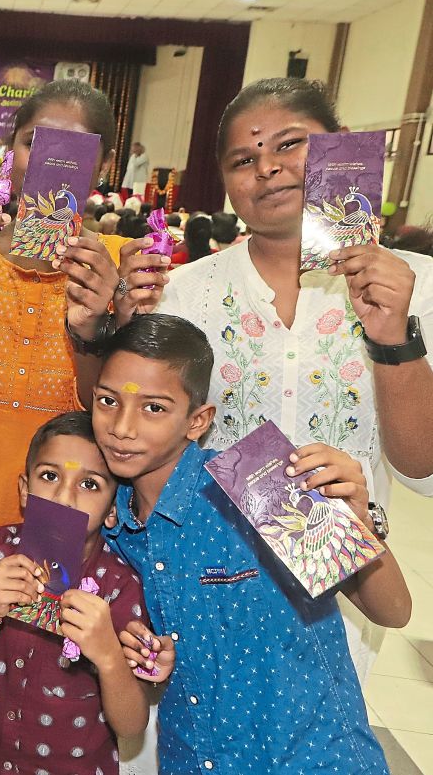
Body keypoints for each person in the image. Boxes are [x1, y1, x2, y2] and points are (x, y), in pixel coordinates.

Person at [0, 78, 129, 772]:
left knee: (43, 674)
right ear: (9, 151)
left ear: (100, 170)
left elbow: (112, 414)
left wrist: (96, 323)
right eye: (35, 140)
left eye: (72, 149)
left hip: (70, 501)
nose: (48, 161)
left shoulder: (114, 264)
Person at [94, 313, 407, 772]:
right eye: (107, 401)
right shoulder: (110, 520)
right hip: (193, 757)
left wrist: (357, 523)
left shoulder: (261, 483)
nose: (123, 427)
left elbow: (393, 611)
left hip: (311, 756)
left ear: (197, 420)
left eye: (153, 408)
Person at [0, 411, 163, 774]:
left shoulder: (121, 585)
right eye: (50, 476)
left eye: (90, 484)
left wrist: (108, 655)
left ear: (113, 510)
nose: (64, 496)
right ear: (24, 489)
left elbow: (132, 725)